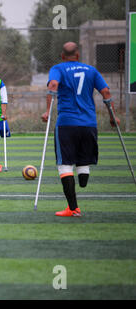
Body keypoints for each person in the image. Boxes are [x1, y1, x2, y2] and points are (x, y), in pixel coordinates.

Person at [42, 42, 120, 217]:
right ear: (78, 56)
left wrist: (47, 111)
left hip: (67, 123)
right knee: (83, 160)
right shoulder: (91, 70)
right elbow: (106, 92)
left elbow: (53, 86)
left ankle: (73, 208)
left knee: (65, 165)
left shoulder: (58, 68)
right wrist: (112, 116)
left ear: (62, 56)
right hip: (89, 124)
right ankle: (83, 179)